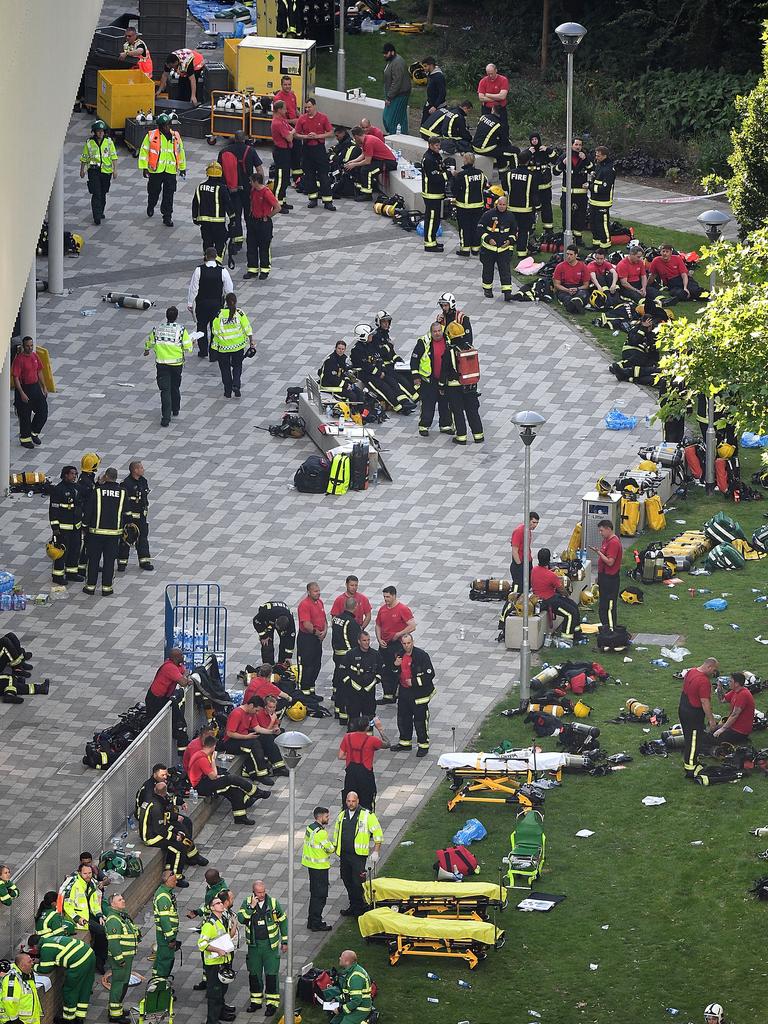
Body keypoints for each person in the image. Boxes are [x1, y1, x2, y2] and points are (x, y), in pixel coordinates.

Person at [188, 734, 269, 824]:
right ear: (213, 746)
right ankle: (256, 792)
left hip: (205, 781)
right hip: (201, 787)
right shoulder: (202, 758)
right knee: (232, 779)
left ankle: (240, 817)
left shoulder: (200, 754)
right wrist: (214, 760)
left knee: (234, 790)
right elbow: (213, 776)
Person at [238, 881, 288, 1017]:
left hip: (270, 946)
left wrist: (285, 940)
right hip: (254, 946)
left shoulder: (273, 903)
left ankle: (272, 1003)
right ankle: (256, 1001)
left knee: (271, 975)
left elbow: (283, 920)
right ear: (253, 892)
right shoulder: (246, 902)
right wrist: (251, 907)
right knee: (254, 974)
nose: (261, 895)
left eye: (263, 891)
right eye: (258, 892)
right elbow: (241, 919)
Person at [332, 792, 384, 918]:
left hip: (358, 856)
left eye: (353, 801)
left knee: (358, 882)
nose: (351, 803)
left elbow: (378, 833)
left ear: (358, 800)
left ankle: (360, 908)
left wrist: (376, 851)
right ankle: (353, 905)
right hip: (344, 855)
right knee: (347, 880)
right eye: (349, 801)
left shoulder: (367, 815)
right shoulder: (342, 815)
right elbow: (337, 834)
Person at [138, 781, 195, 885]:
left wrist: (176, 831)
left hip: (152, 831)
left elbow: (164, 824)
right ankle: (177, 878)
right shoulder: (157, 807)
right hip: (151, 837)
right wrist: (174, 837)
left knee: (176, 842)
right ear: (163, 793)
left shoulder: (152, 799)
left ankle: (169, 867)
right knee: (180, 848)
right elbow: (159, 829)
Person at [144, 305, 193, 424]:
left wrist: (146, 350)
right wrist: (192, 343)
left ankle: (165, 417)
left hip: (162, 365)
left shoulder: (157, 329)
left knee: (165, 390)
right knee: (175, 387)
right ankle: (175, 409)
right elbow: (188, 348)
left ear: (166, 316)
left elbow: (150, 342)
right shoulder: (181, 330)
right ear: (176, 317)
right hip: (176, 365)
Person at [34, 932, 95, 1024]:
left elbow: (45, 969)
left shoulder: (46, 948)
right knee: (85, 987)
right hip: (89, 954)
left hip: (78, 962)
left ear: (35, 946)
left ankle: (68, 1019)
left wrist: (34, 966)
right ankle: (80, 1017)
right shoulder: (51, 939)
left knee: (70, 990)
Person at [137, 113, 186, 227]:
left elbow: (180, 152)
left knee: (169, 194)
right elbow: (144, 151)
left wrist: (182, 168)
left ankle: (167, 216)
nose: (166, 127)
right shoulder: (151, 135)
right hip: (156, 170)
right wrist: (145, 168)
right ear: (159, 126)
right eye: (163, 125)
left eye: (167, 125)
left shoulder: (175, 136)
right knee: (154, 191)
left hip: (170, 171)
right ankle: (151, 204)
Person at [82, 468, 125, 597]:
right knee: (109, 562)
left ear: (106, 476)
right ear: (116, 477)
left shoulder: (98, 491)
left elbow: (89, 510)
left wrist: (84, 526)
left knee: (94, 560)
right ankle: (107, 588)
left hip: (96, 533)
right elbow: (127, 513)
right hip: (113, 535)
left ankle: (90, 587)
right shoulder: (123, 492)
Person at [441, 316, 484, 444]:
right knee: (472, 411)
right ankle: (478, 435)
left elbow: (445, 370)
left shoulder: (450, 350)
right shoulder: (469, 347)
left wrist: (441, 386)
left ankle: (461, 437)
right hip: (470, 385)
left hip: (454, 387)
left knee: (457, 411)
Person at [391, 634, 435, 757]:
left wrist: (414, 682)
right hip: (404, 692)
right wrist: (395, 666)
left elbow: (430, 674)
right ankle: (405, 742)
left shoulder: (421, 656)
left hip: (419, 693)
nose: (406, 646)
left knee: (420, 721)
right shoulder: (399, 655)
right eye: (404, 643)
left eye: (409, 643)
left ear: (412, 642)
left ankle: (423, 745)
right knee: (403, 718)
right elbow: (393, 673)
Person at [219, 131, 262, 252]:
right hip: (248, 190)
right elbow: (259, 170)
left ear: (234, 139)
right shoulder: (251, 151)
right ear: (245, 139)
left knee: (235, 217)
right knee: (250, 215)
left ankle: (237, 242)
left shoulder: (224, 151)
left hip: (232, 190)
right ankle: (252, 239)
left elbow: (219, 171)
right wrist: (259, 187)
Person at [188, 250, 234, 360]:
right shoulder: (222, 271)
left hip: (202, 303)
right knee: (215, 328)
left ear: (206, 256)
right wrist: (230, 304)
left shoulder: (199, 270)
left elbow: (194, 288)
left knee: (201, 326)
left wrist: (190, 302)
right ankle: (213, 353)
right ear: (216, 257)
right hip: (216, 304)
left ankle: (203, 350)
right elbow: (229, 288)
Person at [61, 863, 107, 973]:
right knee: (101, 931)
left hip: (88, 914)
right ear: (79, 873)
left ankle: (100, 959)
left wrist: (99, 915)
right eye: (85, 873)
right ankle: (99, 961)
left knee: (106, 926)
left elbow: (95, 903)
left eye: (90, 873)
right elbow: (67, 905)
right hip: (78, 919)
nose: (88, 875)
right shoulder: (74, 885)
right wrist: (77, 918)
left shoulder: (91, 883)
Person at [411, 321, 453, 437]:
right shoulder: (423, 342)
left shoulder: (448, 339)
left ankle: (445, 425)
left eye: (439, 331)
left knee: (445, 403)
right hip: (429, 380)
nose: (437, 333)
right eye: (435, 331)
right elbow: (414, 359)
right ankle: (424, 426)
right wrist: (415, 376)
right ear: (431, 332)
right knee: (428, 404)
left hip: (444, 379)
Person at [678, 658, 719, 779]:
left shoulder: (691, 671)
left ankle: (693, 761)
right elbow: (705, 702)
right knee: (694, 741)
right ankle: (690, 767)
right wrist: (711, 720)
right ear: (709, 667)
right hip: (693, 714)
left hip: (683, 708)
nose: (714, 673)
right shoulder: (704, 681)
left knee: (688, 737)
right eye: (714, 670)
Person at [294, 97, 336, 211]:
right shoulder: (302, 119)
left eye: (309, 107)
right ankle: (312, 198)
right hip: (307, 149)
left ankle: (328, 201)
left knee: (324, 176)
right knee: (309, 175)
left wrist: (317, 136)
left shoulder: (323, 118)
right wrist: (306, 136)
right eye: (306, 107)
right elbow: (296, 134)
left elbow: (331, 132)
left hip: (319, 149)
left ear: (314, 106)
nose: (307, 109)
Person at [531, 548, 582, 642]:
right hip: (549, 601)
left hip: (541, 599)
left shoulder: (534, 570)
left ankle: (577, 633)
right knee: (571, 613)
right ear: (549, 559)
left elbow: (542, 575)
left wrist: (550, 571)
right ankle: (566, 638)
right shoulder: (552, 576)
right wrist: (567, 595)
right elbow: (562, 589)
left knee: (574, 606)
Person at [375, 586, 416, 703]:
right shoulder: (382, 609)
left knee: (397, 669)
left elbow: (412, 625)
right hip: (384, 645)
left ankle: (399, 693)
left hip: (397, 645)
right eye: (384, 597)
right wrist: (379, 639)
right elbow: (378, 625)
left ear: (394, 595)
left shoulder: (402, 609)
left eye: (388, 597)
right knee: (384, 669)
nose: (385, 599)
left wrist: (399, 634)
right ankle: (388, 696)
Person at [198, 895, 235, 1024]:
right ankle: (212, 1021)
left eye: (221, 902)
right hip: (213, 965)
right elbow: (202, 944)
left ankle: (217, 1017)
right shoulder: (209, 924)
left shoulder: (219, 921)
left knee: (220, 993)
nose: (221, 904)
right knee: (214, 995)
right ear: (212, 908)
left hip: (222, 962)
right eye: (217, 903)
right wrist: (218, 950)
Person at [103, 893, 140, 1024]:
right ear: (112, 904)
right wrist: (120, 960)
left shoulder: (120, 916)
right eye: (119, 900)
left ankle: (117, 1009)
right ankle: (115, 1015)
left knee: (123, 984)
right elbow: (113, 943)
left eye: (123, 898)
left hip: (126, 958)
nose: (123, 901)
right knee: (118, 985)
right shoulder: (113, 920)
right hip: (121, 959)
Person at [369, 312, 417, 411]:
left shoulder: (385, 334)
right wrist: (389, 346)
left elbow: (391, 353)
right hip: (384, 366)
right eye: (384, 322)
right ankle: (410, 399)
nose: (386, 324)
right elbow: (380, 353)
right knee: (398, 380)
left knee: (406, 376)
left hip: (392, 364)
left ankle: (416, 396)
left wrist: (398, 359)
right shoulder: (376, 336)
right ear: (379, 322)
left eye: (388, 321)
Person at [211, 292, 255, 399]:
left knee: (224, 368)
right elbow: (247, 328)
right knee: (237, 366)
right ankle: (236, 385)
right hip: (238, 346)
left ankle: (227, 391)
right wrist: (251, 342)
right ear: (235, 302)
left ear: (225, 302)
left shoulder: (219, 314)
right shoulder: (239, 313)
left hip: (223, 348)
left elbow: (214, 331)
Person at [221, 698, 275, 784]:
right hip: (231, 742)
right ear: (251, 705)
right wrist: (247, 737)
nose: (256, 713)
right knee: (254, 745)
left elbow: (257, 728)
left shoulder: (251, 713)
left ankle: (278, 765)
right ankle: (261, 774)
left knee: (266, 738)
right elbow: (230, 734)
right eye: (256, 710)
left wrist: (271, 731)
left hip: (243, 737)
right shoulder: (237, 713)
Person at [340, 717, 390, 809]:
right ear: (367, 727)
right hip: (365, 775)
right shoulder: (372, 740)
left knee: (349, 801)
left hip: (350, 775)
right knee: (367, 801)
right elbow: (387, 744)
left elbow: (341, 756)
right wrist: (380, 728)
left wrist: (351, 756)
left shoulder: (347, 737)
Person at [192, 162, 234, 265]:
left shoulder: (200, 187)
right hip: (218, 223)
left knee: (207, 242)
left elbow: (195, 204)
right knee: (220, 242)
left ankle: (208, 262)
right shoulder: (222, 188)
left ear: (208, 174)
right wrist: (232, 219)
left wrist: (195, 218)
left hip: (204, 223)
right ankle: (218, 263)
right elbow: (228, 204)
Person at [302, 806, 335, 932]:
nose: (328, 818)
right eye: (326, 816)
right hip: (320, 868)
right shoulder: (321, 833)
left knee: (314, 895)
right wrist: (333, 846)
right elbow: (330, 848)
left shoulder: (310, 828)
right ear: (320, 817)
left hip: (312, 866)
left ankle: (311, 921)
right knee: (320, 897)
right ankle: (316, 922)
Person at [48, 466, 83, 584]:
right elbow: (53, 511)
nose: (74, 476)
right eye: (72, 474)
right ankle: (57, 576)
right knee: (62, 552)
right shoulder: (58, 490)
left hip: (75, 527)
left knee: (75, 550)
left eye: (75, 474)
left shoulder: (77, 488)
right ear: (65, 475)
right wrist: (55, 528)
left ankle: (71, 573)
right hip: (63, 529)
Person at [12, 337, 48, 450]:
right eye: (28, 346)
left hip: (35, 387)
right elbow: (16, 377)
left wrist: (44, 386)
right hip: (24, 388)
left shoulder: (34, 356)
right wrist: (22, 393)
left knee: (43, 411)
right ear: (23, 346)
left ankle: (34, 432)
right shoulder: (19, 359)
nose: (30, 348)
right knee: (25, 416)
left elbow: (39, 371)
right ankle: (25, 438)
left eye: (31, 345)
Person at [554, 137, 592, 245]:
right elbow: (555, 171)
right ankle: (567, 238)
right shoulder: (564, 156)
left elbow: (592, 169)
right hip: (567, 193)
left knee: (580, 216)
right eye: (576, 145)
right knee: (567, 216)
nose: (578, 147)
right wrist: (563, 164)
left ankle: (578, 238)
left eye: (580, 145)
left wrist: (585, 160)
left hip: (581, 194)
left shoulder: (585, 157)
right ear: (571, 145)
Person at [478, 195, 516, 300]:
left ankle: (507, 292)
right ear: (496, 204)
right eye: (500, 204)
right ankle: (487, 289)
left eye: (504, 205)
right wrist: (489, 239)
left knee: (505, 271)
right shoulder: (488, 214)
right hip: (489, 249)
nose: (502, 206)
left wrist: (509, 241)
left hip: (504, 249)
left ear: (507, 205)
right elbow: (480, 229)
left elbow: (514, 231)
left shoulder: (510, 216)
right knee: (488, 270)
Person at [244, 170, 280, 281]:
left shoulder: (266, 192)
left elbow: (277, 207)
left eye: (251, 181)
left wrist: (267, 216)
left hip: (264, 224)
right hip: (253, 222)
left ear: (256, 182)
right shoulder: (253, 191)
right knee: (251, 246)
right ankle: (252, 269)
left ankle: (264, 270)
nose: (250, 183)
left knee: (264, 247)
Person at [117, 460, 152, 572]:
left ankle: (144, 561)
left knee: (143, 539)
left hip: (141, 518)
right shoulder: (126, 484)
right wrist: (128, 518)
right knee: (126, 539)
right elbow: (124, 502)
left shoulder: (143, 481)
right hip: (129, 518)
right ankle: (122, 563)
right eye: (141, 468)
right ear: (135, 470)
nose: (143, 469)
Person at [79, 120, 117, 225]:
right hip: (93, 171)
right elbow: (84, 157)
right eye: (98, 131)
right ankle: (96, 216)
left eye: (102, 131)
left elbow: (113, 156)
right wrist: (82, 170)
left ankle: (100, 211)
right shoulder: (89, 143)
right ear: (94, 132)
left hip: (106, 172)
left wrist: (115, 170)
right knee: (96, 193)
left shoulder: (109, 142)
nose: (100, 133)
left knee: (103, 193)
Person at [344, 128, 398, 201]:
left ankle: (367, 195)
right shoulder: (365, 140)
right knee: (360, 168)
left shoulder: (369, 142)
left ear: (356, 136)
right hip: (380, 160)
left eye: (354, 138)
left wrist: (354, 164)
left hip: (388, 163)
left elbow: (367, 161)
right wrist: (352, 161)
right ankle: (362, 190)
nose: (354, 140)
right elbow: (363, 154)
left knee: (366, 171)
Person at [145, 649, 191, 735]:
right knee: (152, 720)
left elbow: (184, 672)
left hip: (163, 697)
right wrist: (185, 678)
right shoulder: (170, 667)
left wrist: (184, 677)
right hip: (155, 698)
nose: (183, 657)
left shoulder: (177, 665)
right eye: (181, 655)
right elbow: (183, 682)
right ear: (176, 658)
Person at [451, 152, 487, 257]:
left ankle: (465, 249)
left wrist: (454, 177)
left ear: (465, 161)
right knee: (476, 227)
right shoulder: (480, 173)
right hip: (478, 206)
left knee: (464, 228)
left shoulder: (462, 175)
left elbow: (455, 190)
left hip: (464, 206)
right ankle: (475, 249)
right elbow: (484, 185)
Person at [331, 598, 362, 722]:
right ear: (355, 607)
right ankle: (344, 714)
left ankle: (338, 711)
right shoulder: (352, 623)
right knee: (346, 686)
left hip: (337, 655)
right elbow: (355, 643)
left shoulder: (337, 619)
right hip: (346, 657)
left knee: (339, 683)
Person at [609, 314, 660, 385]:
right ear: (642, 323)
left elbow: (654, 352)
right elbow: (634, 342)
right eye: (648, 325)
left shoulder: (652, 334)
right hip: (630, 351)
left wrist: (654, 362)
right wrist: (643, 328)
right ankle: (621, 366)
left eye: (651, 325)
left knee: (647, 365)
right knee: (639, 358)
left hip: (642, 356)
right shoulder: (635, 329)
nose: (649, 327)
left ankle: (625, 375)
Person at [324, 950, 373, 1024]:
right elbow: (348, 993)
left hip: (360, 1009)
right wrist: (337, 999)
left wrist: (340, 1010)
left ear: (347, 962)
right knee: (334, 1022)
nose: (339, 958)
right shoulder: (352, 971)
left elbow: (356, 1000)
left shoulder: (355, 977)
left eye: (342, 957)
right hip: (353, 1005)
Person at [501, 151, 535, 258]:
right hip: (525, 209)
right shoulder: (531, 176)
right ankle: (522, 252)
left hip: (511, 208)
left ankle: (508, 251)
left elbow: (505, 187)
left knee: (510, 230)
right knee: (524, 231)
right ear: (528, 161)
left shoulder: (509, 174)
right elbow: (534, 193)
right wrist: (537, 207)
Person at [591, 519, 623, 631]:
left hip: (610, 579)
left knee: (608, 606)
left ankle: (610, 629)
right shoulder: (605, 540)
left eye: (602, 531)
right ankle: (605, 627)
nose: (600, 533)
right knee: (602, 605)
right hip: (603, 576)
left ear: (609, 529)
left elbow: (610, 562)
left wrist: (598, 552)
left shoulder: (614, 542)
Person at [342, 633, 381, 724]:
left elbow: (381, 671)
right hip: (354, 693)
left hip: (369, 693)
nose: (367, 643)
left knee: (369, 717)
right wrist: (354, 686)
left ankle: (369, 736)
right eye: (364, 640)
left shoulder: (375, 654)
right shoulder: (351, 654)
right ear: (359, 641)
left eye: (368, 640)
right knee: (353, 718)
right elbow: (343, 672)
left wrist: (374, 682)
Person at [297, 581, 327, 697]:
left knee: (316, 664)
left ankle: (311, 690)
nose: (318, 593)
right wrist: (316, 632)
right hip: (307, 639)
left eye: (318, 590)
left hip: (317, 639)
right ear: (309, 592)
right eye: (315, 591)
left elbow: (324, 619)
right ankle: (304, 692)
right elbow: (306, 624)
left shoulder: (319, 603)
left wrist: (324, 631)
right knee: (306, 666)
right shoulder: (304, 605)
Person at [421, 136, 449, 253]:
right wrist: (449, 175)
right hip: (431, 193)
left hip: (437, 193)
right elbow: (434, 178)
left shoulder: (435, 156)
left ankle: (433, 240)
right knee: (431, 219)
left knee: (436, 219)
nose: (439, 147)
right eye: (436, 146)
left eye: (439, 145)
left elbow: (440, 169)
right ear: (430, 145)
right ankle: (429, 244)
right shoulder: (428, 159)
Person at [526, 132, 558, 230]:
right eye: (532, 139)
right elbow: (521, 161)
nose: (534, 141)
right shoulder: (528, 152)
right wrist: (528, 153)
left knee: (546, 208)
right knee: (532, 208)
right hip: (533, 188)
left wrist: (548, 150)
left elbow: (555, 160)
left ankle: (548, 229)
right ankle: (531, 228)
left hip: (545, 187)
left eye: (536, 139)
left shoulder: (544, 151)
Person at [76, 453, 100, 575]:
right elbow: (92, 497)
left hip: (87, 513)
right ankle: (82, 567)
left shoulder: (87, 478)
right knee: (88, 542)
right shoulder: (86, 482)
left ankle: (87, 564)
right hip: (86, 515)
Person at [714, 672, 755, 745]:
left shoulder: (743, 695)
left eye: (730, 681)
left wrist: (722, 729)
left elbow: (734, 714)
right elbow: (722, 700)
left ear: (736, 684)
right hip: (733, 726)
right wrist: (719, 688)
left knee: (714, 738)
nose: (728, 683)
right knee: (713, 730)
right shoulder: (735, 691)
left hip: (740, 731)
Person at [152, 871, 179, 979]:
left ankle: (157, 979)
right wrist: (171, 938)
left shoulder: (166, 892)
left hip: (164, 935)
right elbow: (164, 920)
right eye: (174, 880)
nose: (176, 882)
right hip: (165, 936)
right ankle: (161, 984)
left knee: (161, 958)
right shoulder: (163, 897)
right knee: (165, 959)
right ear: (166, 881)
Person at [0, 954, 41, 1024]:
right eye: (29, 962)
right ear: (22, 965)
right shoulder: (13, 979)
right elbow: (9, 1000)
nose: (32, 963)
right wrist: (14, 1020)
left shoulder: (26, 975)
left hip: (29, 1020)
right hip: (21, 1021)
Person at [588, 146, 615, 251]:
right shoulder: (599, 165)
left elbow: (604, 188)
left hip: (603, 202)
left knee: (603, 224)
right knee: (593, 223)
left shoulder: (609, 169)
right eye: (596, 155)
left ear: (604, 156)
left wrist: (589, 186)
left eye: (598, 156)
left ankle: (605, 246)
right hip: (594, 201)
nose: (596, 157)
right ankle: (596, 244)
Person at [270, 100, 295, 214]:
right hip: (281, 152)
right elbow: (289, 137)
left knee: (285, 178)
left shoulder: (282, 121)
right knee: (280, 179)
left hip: (285, 152)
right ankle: (277, 204)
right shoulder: (277, 123)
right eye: (285, 109)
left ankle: (282, 200)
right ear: (279, 110)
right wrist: (294, 130)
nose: (286, 111)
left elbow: (290, 131)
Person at [253, 601, 296, 666]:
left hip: (281, 616)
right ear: (275, 621)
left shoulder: (290, 623)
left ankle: (281, 664)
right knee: (267, 642)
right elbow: (256, 621)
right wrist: (263, 636)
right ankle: (267, 666)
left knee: (285, 641)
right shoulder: (266, 612)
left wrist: (288, 657)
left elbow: (291, 639)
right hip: (268, 619)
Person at [382, 42, 411, 134]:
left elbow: (397, 82)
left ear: (392, 52)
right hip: (397, 94)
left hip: (398, 95)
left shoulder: (397, 63)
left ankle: (395, 134)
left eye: (386, 53)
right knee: (400, 117)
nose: (384, 55)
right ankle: (402, 134)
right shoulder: (393, 61)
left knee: (390, 118)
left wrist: (389, 97)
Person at [553, 244, 591, 313]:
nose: (568, 256)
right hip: (564, 288)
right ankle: (576, 307)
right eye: (567, 254)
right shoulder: (560, 266)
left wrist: (577, 289)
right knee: (566, 298)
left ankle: (575, 306)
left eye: (571, 254)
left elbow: (586, 285)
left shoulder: (583, 266)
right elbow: (556, 284)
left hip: (578, 288)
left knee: (583, 294)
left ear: (576, 255)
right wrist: (567, 290)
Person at [477, 63, 509, 143]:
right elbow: (481, 97)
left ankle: (504, 141)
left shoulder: (503, 80)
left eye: (492, 73)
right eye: (488, 74)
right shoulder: (483, 81)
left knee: (503, 126)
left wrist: (487, 94)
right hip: (487, 108)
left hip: (500, 108)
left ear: (496, 71)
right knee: (486, 125)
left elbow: (502, 96)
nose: (490, 75)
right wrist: (495, 98)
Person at [510, 512, 539, 592]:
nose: (535, 525)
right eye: (533, 522)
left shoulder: (528, 531)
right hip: (520, 564)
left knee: (529, 584)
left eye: (537, 523)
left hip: (527, 562)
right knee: (519, 588)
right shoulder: (519, 531)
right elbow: (515, 551)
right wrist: (519, 566)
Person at [330, 127, 361, 199]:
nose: (336, 138)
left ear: (343, 133)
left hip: (349, 168)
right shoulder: (345, 141)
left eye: (337, 136)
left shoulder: (347, 143)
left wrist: (331, 156)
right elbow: (334, 149)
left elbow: (338, 159)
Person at [421, 56, 446, 123]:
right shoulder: (430, 75)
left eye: (425, 66)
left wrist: (435, 106)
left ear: (431, 65)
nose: (424, 68)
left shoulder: (438, 77)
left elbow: (442, 93)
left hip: (437, 107)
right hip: (429, 104)